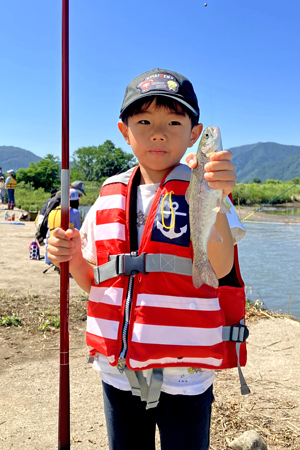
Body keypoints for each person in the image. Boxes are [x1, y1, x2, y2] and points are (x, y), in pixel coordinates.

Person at [47, 68, 246, 450]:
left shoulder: (207, 189)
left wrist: (218, 196)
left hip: (186, 372)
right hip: (118, 370)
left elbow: (218, 268)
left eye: (174, 121)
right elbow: (95, 281)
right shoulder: (108, 195)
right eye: (144, 121)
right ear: (125, 131)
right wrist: (70, 259)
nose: (158, 132)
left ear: (193, 133)